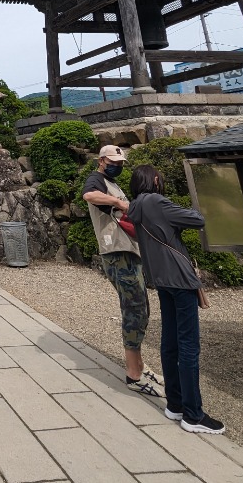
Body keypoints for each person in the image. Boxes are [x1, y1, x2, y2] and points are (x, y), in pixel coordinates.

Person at [127, 164, 224, 434]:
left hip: (161, 279)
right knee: (189, 347)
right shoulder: (157, 201)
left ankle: (175, 404)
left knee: (170, 343)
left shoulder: (135, 206)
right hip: (180, 280)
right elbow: (197, 219)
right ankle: (193, 415)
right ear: (155, 180)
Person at [82, 144, 164, 396]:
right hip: (117, 253)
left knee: (141, 307)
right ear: (101, 160)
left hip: (129, 251)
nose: (117, 166)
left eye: (120, 162)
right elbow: (89, 196)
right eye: (113, 161)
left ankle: (139, 364)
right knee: (134, 309)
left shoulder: (111, 182)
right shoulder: (97, 180)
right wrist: (120, 203)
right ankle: (134, 375)